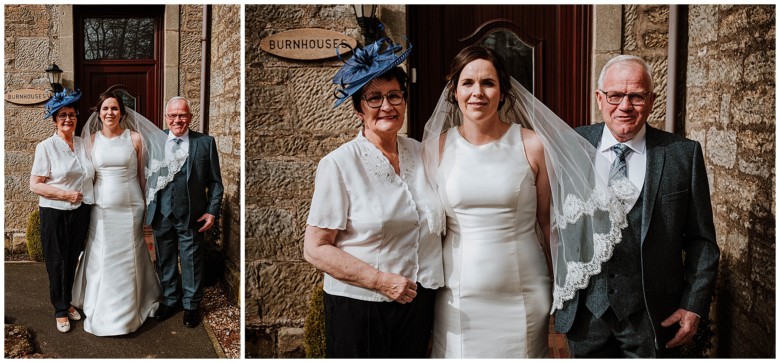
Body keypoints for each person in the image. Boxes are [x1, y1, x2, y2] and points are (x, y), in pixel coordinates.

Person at [553, 55, 719, 357]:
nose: (625, 106)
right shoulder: (571, 145)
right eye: (615, 95)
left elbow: (703, 242)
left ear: (652, 100)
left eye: (636, 96)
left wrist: (693, 306)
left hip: (654, 317)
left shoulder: (683, 154)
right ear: (599, 99)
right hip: (586, 315)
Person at [303, 37, 445, 358]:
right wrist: (379, 280)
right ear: (358, 109)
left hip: (417, 303)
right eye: (374, 98)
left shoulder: (421, 153)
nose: (387, 106)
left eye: (395, 96)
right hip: (361, 308)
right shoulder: (339, 164)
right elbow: (315, 248)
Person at [421, 45, 552, 358]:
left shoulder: (532, 145)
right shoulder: (435, 149)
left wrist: (563, 289)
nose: (477, 92)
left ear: (503, 92)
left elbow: (549, 224)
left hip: (524, 292)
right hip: (457, 297)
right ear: (454, 92)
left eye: (488, 83)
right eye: (467, 83)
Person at [71, 92, 168, 336]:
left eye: (114, 108)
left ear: (122, 113)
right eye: (105, 109)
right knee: (102, 251)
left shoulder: (135, 138)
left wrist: (146, 204)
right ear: (99, 113)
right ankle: (100, 304)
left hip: (130, 205)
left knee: (130, 251)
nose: (110, 113)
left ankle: (135, 302)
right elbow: (84, 175)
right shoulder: (91, 140)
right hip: (102, 207)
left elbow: (142, 176)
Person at [146, 96, 224, 329]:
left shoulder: (205, 143)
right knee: (165, 260)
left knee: (191, 261)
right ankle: (170, 300)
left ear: (190, 117)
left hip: (192, 215)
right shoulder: (154, 141)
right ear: (166, 117)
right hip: (161, 213)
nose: (177, 120)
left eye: (182, 115)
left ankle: (191, 305)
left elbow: (216, 183)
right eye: (173, 115)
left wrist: (212, 212)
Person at [30, 88, 94, 333]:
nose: (68, 119)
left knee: (72, 259)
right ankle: (59, 309)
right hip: (55, 211)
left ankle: (66, 302)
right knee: (56, 261)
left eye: (72, 115)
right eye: (63, 115)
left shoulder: (81, 144)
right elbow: (34, 184)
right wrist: (65, 194)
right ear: (55, 120)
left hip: (79, 212)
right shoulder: (45, 147)